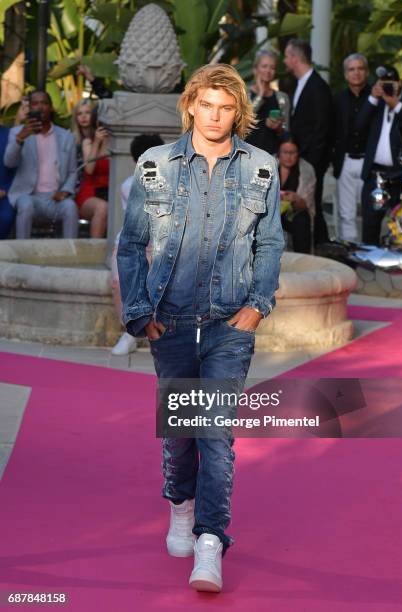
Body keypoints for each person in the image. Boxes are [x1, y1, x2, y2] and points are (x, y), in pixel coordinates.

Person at [117, 64, 284, 593]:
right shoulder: (154, 165)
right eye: (206, 104)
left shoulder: (260, 167)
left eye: (226, 107)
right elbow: (130, 245)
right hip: (171, 321)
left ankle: (211, 542)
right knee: (179, 433)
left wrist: (258, 305)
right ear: (190, 104)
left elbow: (271, 243)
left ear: (239, 112)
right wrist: (141, 313)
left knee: (216, 434)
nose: (215, 116)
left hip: (228, 325)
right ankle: (181, 503)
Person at [111, 133, 164, 356]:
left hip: (162, 247)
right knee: (117, 282)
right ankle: (131, 332)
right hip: (131, 246)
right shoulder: (128, 185)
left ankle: (158, 334)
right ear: (136, 161)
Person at [4, 91, 78, 239]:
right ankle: (22, 251)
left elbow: (73, 171)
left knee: (70, 207)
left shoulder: (66, 137)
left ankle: (71, 253)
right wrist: (20, 139)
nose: (40, 107)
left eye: (44, 103)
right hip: (28, 195)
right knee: (25, 205)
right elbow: (9, 162)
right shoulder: (17, 133)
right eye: (35, 104)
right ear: (30, 109)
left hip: (55, 198)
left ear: (50, 108)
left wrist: (65, 191)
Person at [284, 38, 333, 245]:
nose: (285, 61)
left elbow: (322, 129)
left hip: (311, 162)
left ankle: (320, 250)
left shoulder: (317, 86)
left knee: (312, 208)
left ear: (295, 58)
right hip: (300, 159)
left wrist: (311, 164)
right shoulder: (300, 84)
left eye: (286, 57)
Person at [357, 65, 402, 244]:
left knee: (400, 226)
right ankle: (368, 267)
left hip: (399, 177)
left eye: (390, 83)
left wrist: (396, 105)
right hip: (374, 176)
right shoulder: (376, 103)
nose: (386, 87)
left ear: (399, 83)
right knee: (370, 225)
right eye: (383, 83)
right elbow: (359, 126)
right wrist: (372, 97)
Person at [333, 54, 370, 242]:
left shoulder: (376, 98)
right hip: (345, 161)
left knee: (369, 213)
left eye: (360, 68)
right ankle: (351, 254)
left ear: (367, 72)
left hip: (370, 163)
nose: (356, 73)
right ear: (346, 74)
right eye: (351, 69)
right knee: (346, 213)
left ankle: (370, 254)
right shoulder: (337, 99)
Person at [72, 101, 109, 238]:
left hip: (109, 190)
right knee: (102, 207)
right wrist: (97, 142)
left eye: (87, 113)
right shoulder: (86, 142)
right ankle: (95, 249)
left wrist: (104, 140)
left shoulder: (112, 140)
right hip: (90, 191)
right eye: (80, 113)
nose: (84, 117)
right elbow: (89, 169)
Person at [245, 50, 290, 155]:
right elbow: (243, 121)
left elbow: (286, 131)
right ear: (255, 69)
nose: (268, 71)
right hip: (246, 156)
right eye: (264, 66)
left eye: (272, 67)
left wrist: (278, 127)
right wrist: (260, 95)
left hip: (272, 157)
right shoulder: (244, 94)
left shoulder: (282, 98)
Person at [278, 135, 315, 253]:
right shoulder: (267, 165)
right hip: (270, 211)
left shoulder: (306, 170)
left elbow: (307, 205)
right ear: (279, 153)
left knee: (302, 220)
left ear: (298, 153)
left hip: (293, 213)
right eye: (285, 152)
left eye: (292, 152)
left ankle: (303, 259)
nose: (289, 156)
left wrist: (295, 199)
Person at [0, 124, 16, 239]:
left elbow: (18, 168)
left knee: (5, 217)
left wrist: (6, 190)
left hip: (6, 191)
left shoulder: (10, 134)